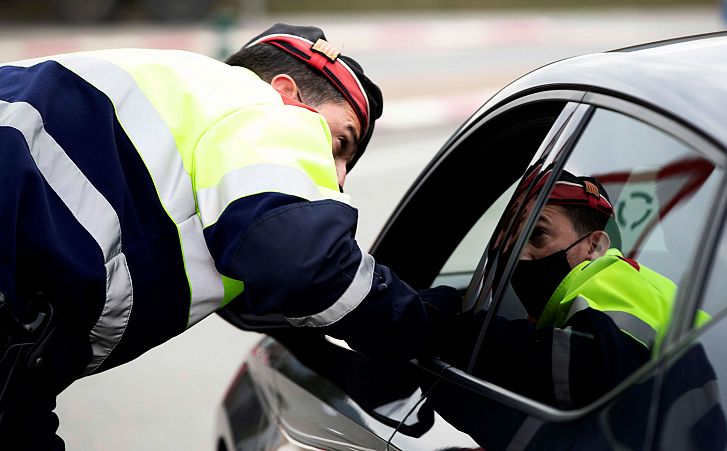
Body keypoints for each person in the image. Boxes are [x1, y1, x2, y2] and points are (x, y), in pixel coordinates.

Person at [0, 23, 459, 449]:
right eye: (341, 143)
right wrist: (434, 329)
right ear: (286, 91)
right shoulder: (261, 106)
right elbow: (298, 259)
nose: (338, 178)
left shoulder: (177, 113)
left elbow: (262, 296)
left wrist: (359, 368)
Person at [445, 167, 676, 409]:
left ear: (595, 247)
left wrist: (446, 325)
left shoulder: (613, 279)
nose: (519, 256)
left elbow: (578, 371)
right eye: (512, 244)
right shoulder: (640, 289)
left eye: (537, 234)